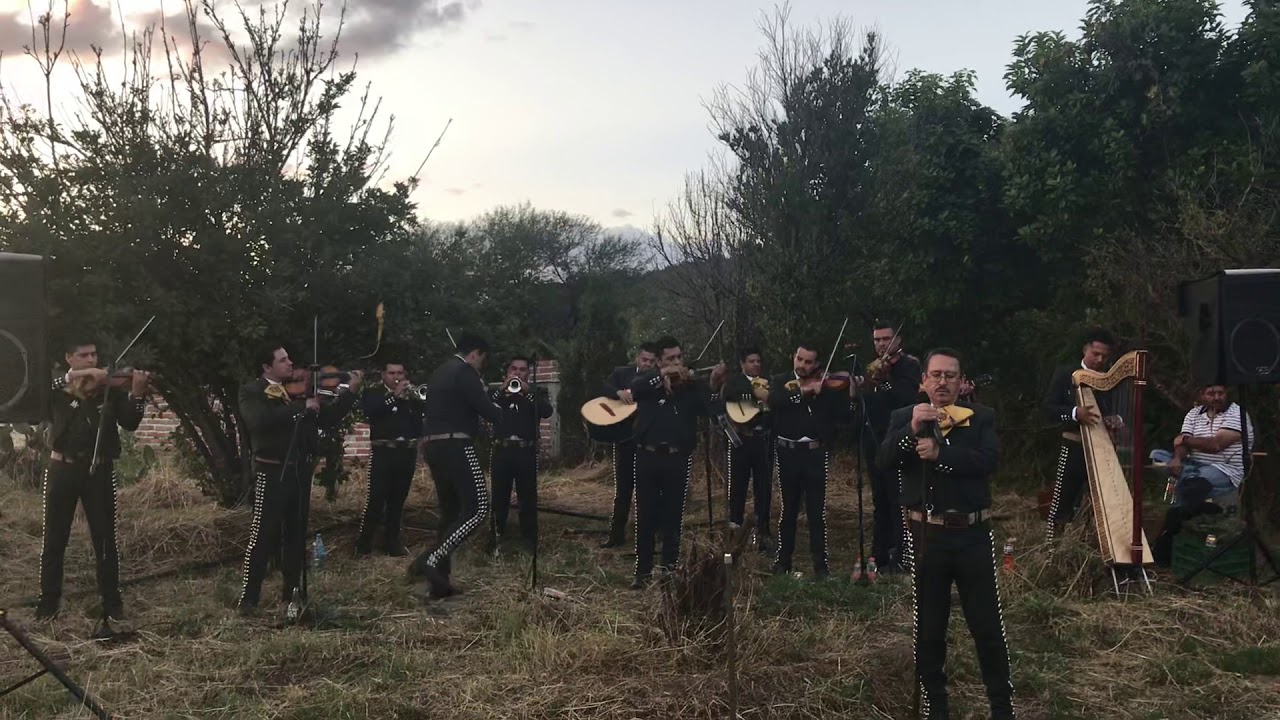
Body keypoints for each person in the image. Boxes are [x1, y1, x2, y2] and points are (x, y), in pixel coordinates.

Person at [878, 347, 1013, 719]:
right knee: (930, 628)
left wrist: (941, 454)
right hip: (927, 537)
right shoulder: (904, 416)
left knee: (987, 627)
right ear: (923, 381)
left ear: (961, 382)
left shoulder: (982, 417)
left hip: (973, 534)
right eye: (935, 375)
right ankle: (935, 707)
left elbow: (989, 461)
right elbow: (883, 459)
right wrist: (911, 431)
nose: (942, 382)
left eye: (950, 375)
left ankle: (1002, 708)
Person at [237, 345, 362, 616]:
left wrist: (350, 392)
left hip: (298, 472)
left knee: (295, 536)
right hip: (271, 472)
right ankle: (248, 600)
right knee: (263, 535)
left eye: (289, 359)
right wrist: (298, 408)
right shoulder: (253, 392)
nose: (290, 363)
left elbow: (327, 419)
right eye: (283, 360)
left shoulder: (296, 395)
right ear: (266, 367)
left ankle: (293, 593)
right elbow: (259, 422)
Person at [37, 338, 149, 621]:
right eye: (84, 355)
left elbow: (131, 423)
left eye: (94, 355)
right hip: (62, 469)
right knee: (54, 539)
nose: (91, 360)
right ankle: (48, 603)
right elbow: (37, 392)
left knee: (104, 538)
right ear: (69, 358)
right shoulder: (58, 389)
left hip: (99, 470)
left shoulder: (109, 391)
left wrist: (137, 394)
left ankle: (112, 602)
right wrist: (74, 378)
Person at [408, 333, 503, 599]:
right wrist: (492, 399)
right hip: (457, 445)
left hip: (433, 446)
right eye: (481, 361)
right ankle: (431, 559)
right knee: (478, 508)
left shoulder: (439, 372)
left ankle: (440, 581)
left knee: (450, 512)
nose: (480, 366)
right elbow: (491, 413)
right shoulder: (465, 372)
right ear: (475, 353)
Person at [628, 336, 725, 588]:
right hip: (647, 457)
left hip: (677, 459)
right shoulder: (648, 382)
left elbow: (712, 409)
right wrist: (662, 375)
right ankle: (642, 574)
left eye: (679, 358)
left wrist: (713, 384)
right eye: (671, 359)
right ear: (659, 361)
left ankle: (669, 573)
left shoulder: (691, 387)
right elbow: (636, 389)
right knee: (646, 517)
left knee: (673, 518)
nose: (678, 362)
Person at [768, 343, 849, 578]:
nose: (802, 365)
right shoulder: (780, 381)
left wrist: (846, 392)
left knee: (816, 512)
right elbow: (774, 401)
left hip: (815, 452)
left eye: (808, 362)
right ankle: (783, 561)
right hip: (787, 452)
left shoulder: (826, 386)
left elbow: (843, 415)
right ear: (794, 357)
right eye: (799, 359)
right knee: (788, 510)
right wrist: (803, 392)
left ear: (817, 365)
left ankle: (821, 566)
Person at [853, 320, 922, 572]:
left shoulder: (908, 366)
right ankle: (878, 553)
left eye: (886, 339)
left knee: (897, 499)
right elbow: (866, 405)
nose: (881, 344)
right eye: (877, 340)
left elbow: (906, 398)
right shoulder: (870, 368)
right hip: (873, 438)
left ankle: (901, 555)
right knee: (879, 498)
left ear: (898, 340)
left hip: (897, 440)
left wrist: (885, 381)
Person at [1043, 328, 1119, 541]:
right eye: (1096, 354)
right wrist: (1076, 413)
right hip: (1073, 445)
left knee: (1100, 499)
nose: (1100, 359)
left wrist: (1116, 420)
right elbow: (1048, 408)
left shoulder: (1109, 379)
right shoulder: (1065, 373)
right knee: (1064, 497)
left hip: (1101, 447)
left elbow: (1113, 410)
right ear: (1085, 349)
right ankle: (1054, 545)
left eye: (1105, 356)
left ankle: (1093, 541)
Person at [355, 361, 425, 557]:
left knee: (398, 501)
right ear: (383, 375)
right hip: (383, 452)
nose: (396, 377)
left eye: (400, 372)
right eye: (392, 372)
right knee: (376, 498)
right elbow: (371, 412)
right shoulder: (373, 393)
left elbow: (419, 424)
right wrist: (394, 397)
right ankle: (363, 544)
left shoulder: (411, 396)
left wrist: (415, 402)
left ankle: (391, 543)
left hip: (406, 452)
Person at [486, 356, 554, 554]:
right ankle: (495, 540)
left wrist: (528, 393)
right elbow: (486, 408)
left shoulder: (535, 393)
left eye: (522, 370)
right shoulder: (495, 394)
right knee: (499, 497)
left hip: (526, 451)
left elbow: (547, 411)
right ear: (507, 372)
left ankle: (529, 542)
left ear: (528, 373)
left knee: (528, 497)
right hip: (502, 450)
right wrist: (502, 392)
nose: (517, 373)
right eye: (513, 369)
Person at [1152, 384, 1255, 507]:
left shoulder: (1237, 413)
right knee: (1156, 456)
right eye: (1211, 394)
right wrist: (1178, 459)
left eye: (1221, 393)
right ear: (1202, 395)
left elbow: (1216, 445)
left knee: (1192, 485)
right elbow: (1182, 445)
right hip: (1194, 463)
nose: (1217, 397)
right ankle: (1190, 475)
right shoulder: (1194, 413)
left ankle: (1187, 483)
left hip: (1224, 469)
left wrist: (1184, 439)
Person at [599, 343, 658, 548]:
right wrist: (617, 392)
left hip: (649, 442)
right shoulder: (621, 373)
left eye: (652, 361)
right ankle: (616, 536)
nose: (648, 364)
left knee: (649, 492)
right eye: (644, 360)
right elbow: (603, 387)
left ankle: (648, 536)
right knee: (623, 491)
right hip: (624, 441)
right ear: (637, 358)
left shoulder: (659, 379)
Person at [720, 346, 774, 553]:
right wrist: (754, 393)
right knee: (738, 485)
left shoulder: (769, 382)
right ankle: (735, 528)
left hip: (763, 441)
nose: (756, 365)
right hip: (742, 441)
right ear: (743, 364)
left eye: (758, 361)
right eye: (751, 361)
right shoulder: (735, 383)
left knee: (763, 487)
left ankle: (763, 531)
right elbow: (728, 397)